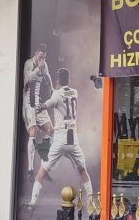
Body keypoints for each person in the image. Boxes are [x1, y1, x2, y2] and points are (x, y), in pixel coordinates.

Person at [29, 68, 92, 208]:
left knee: (42, 171)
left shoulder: (56, 94)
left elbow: (48, 103)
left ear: (58, 80)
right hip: (71, 137)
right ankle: (91, 201)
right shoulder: (75, 92)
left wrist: (40, 107)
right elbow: (64, 96)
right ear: (68, 79)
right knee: (82, 170)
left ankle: (33, 201)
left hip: (60, 136)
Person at [22, 44, 53, 173]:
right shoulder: (29, 63)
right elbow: (27, 79)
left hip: (38, 103)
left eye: (44, 58)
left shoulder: (44, 65)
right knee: (33, 131)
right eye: (41, 57)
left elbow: (48, 75)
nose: (42, 60)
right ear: (36, 54)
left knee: (50, 130)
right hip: (28, 104)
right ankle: (30, 168)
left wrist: (52, 89)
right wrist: (37, 69)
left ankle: (43, 155)